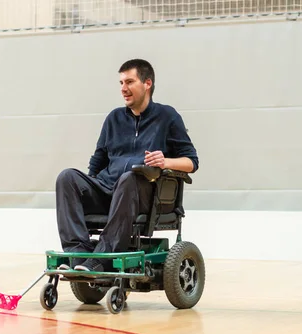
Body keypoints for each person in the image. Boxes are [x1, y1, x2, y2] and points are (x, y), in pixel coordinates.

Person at [55, 59, 199, 272]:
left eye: (129, 82)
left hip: (143, 195)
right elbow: (98, 161)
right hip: (109, 191)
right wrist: (87, 188)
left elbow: (191, 162)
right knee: (66, 177)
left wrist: (165, 161)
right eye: (121, 83)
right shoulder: (114, 118)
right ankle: (78, 256)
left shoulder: (167, 117)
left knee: (129, 177)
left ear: (147, 83)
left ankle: (101, 260)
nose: (123, 89)